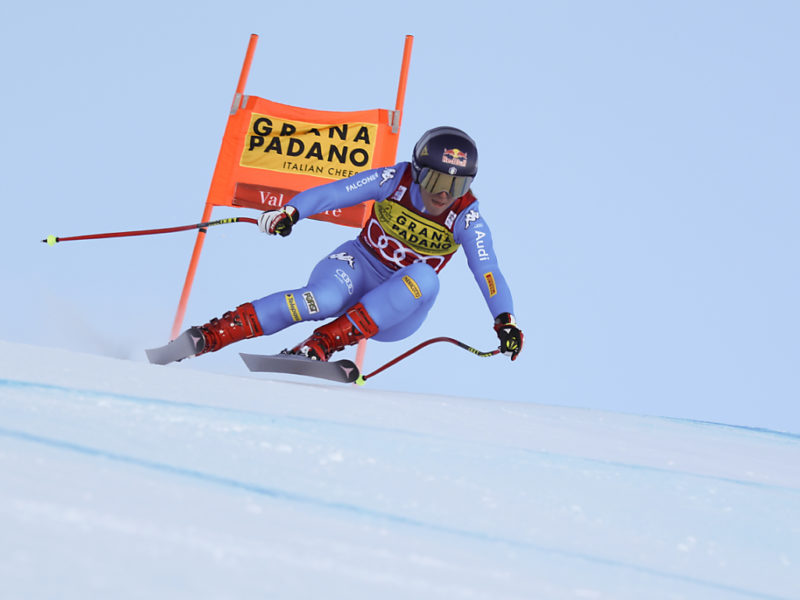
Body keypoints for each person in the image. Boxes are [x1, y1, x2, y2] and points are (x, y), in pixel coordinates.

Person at [150, 126, 523, 365]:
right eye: (437, 180)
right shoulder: (394, 179)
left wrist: (504, 320)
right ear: (418, 170)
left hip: (396, 311)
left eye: (457, 185)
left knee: (426, 277)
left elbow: (488, 272)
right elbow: (336, 192)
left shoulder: (468, 219)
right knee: (320, 301)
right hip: (356, 266)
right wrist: (292, 212)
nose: (444, 193)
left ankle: (320, 346)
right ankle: (206, 337)